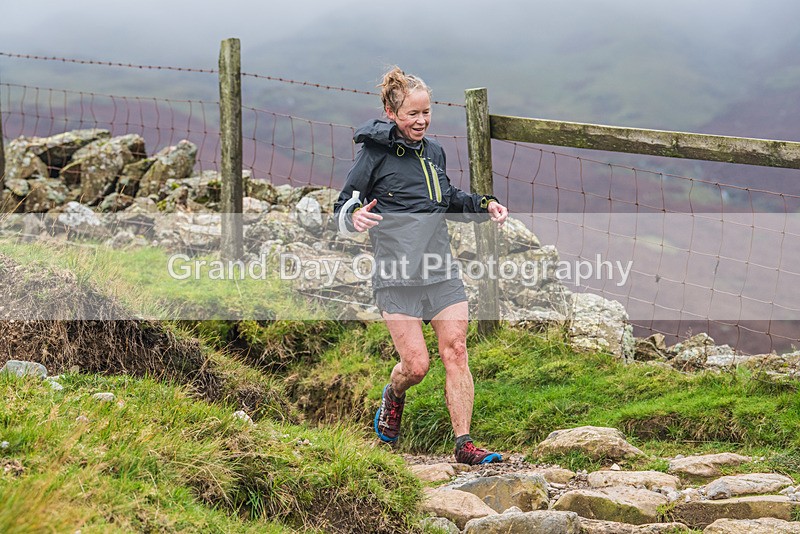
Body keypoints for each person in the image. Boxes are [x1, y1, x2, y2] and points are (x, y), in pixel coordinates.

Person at [333, 66, 508, 465]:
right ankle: (394, 395)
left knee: (457, 350)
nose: (422, 121)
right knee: (416, 366)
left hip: (440, 269)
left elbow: (446, 197)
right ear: (392, 114)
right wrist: (353, 217)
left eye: (426, 112)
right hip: (396, 277)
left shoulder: (435, 153)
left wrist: (485, 204)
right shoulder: (373, 154)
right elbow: (342, 204)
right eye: (413, 114)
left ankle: (464, 444)